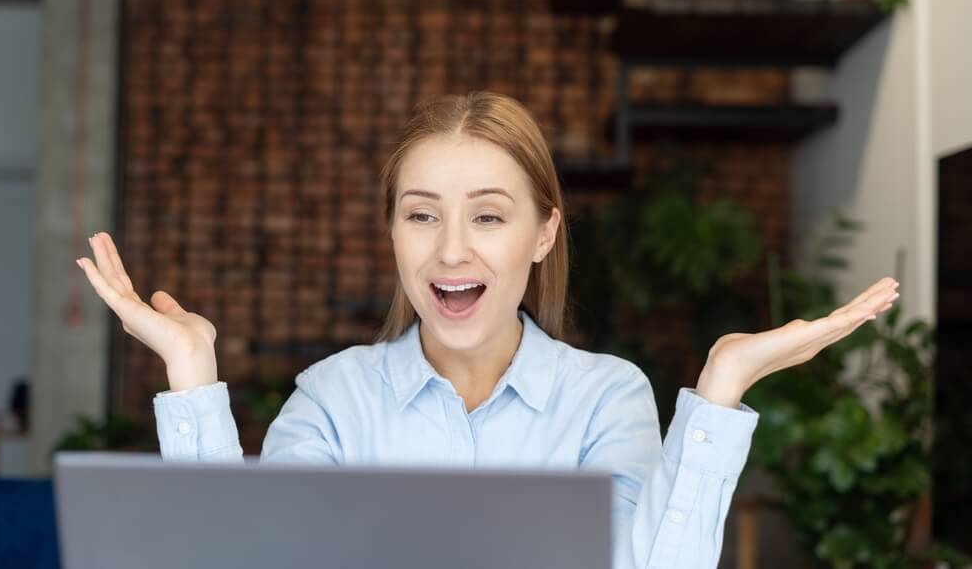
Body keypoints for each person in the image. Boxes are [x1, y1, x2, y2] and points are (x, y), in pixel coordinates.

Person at [77, 91, 899, 568]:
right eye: (421, 214)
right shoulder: (333, 397)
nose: (451, 250)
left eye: (489, 216)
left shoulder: (606, 396)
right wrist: (191, 366)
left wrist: (720, 386)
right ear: (393, 232)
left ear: (543, 233)